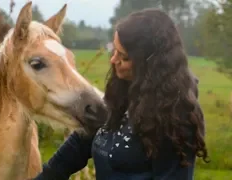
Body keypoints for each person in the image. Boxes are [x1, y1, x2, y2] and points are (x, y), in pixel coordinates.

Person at [32, 8, 209, 180]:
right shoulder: (119, 95)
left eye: (123, 57)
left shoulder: (175, 118)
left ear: (150, 63)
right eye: (114, 51)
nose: (113, 60)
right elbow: (74, 150)